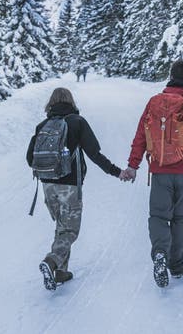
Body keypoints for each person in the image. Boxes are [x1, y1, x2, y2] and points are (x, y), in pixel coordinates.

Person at [120, 60, 183, 287]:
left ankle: (160, 253)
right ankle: (176, 264)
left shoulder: (154, 102)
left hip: (160, 170)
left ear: (169, 77)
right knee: (182, 217)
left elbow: (141, 137)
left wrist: (133, 165)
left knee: (159, 216)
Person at [27, 87, 122, 290]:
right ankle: (52, 260)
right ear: (71, 102)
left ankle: (61, 272)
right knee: (70, 230)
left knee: (62, 226)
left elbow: (30, 159)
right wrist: (116, 172)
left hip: (47, 185)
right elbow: (94, 154)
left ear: (51, 104)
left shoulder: (42, 125)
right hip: (70, 186)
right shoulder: (77, 122)